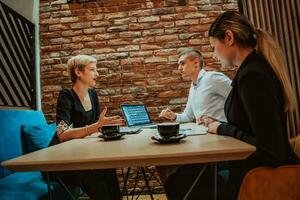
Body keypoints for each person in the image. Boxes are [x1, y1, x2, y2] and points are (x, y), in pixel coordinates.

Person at [195, 10, 300, 199]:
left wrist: (222, 128)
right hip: (258, 171)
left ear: (228, 37)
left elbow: (271, 151)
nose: (213, 55)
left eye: (213, 46)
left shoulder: (252, 75)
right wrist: (220, 125)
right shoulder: (251, 70)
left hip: (265, 177)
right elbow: (251, 127)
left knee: (181, 179)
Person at [47, 55, 123, 200]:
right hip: (60, 160)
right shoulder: (66, 96)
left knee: (108, 168)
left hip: (82, 155)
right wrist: (95, 127)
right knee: (96, 173)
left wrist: (105, 128)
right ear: (78, 72)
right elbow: (62, 134)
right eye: (92, 70)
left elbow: (96, 126)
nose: (97, 73)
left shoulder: (93, 94)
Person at [159, 48, 232, 123]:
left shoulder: (212, 78)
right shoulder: (193, 86)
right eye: (179, 65)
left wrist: (223, 124)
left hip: (222, 132)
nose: (179, 68)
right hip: (205, 132)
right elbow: (188, 116)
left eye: (183, 63)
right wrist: (174, 116)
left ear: (196, 63)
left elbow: (240, 98)